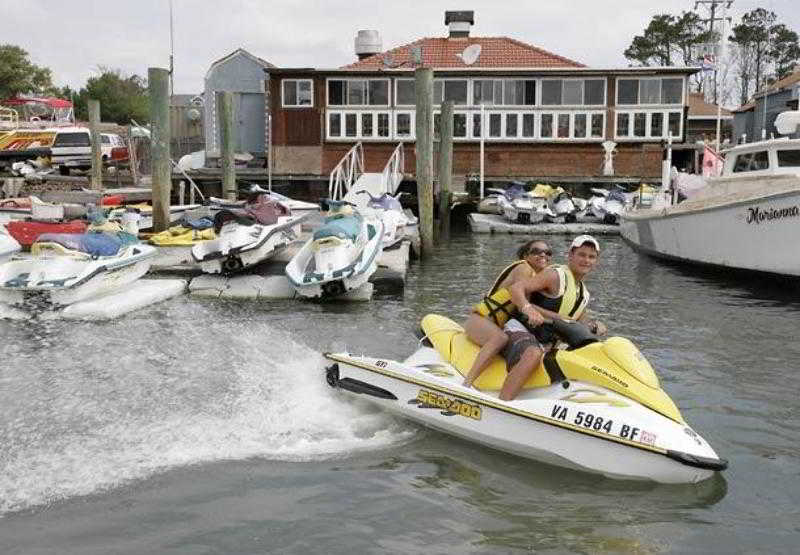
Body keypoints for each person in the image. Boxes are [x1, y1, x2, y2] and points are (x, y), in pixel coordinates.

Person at [501, 235, 607, 401]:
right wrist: (528, 308)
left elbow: (579, 321)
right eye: (582, 255)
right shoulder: (554, 276)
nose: (586, 260)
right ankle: (503, 403)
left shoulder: (583, 293)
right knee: (533, 354)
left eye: (591, 257)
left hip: (546, 342)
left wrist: (594, 325)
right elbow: (516, 288)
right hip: (520, 330)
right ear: (570, 255)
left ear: (596, 261)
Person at [461, 239, 554, 389]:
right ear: (526, 256)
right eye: (536, 251)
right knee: (501, 338)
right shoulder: (523, 269)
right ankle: (467, 383)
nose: (543, 255)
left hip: (493, 324)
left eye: (547, 252)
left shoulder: (537, 277)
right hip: (479, 320)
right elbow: (523, 302)